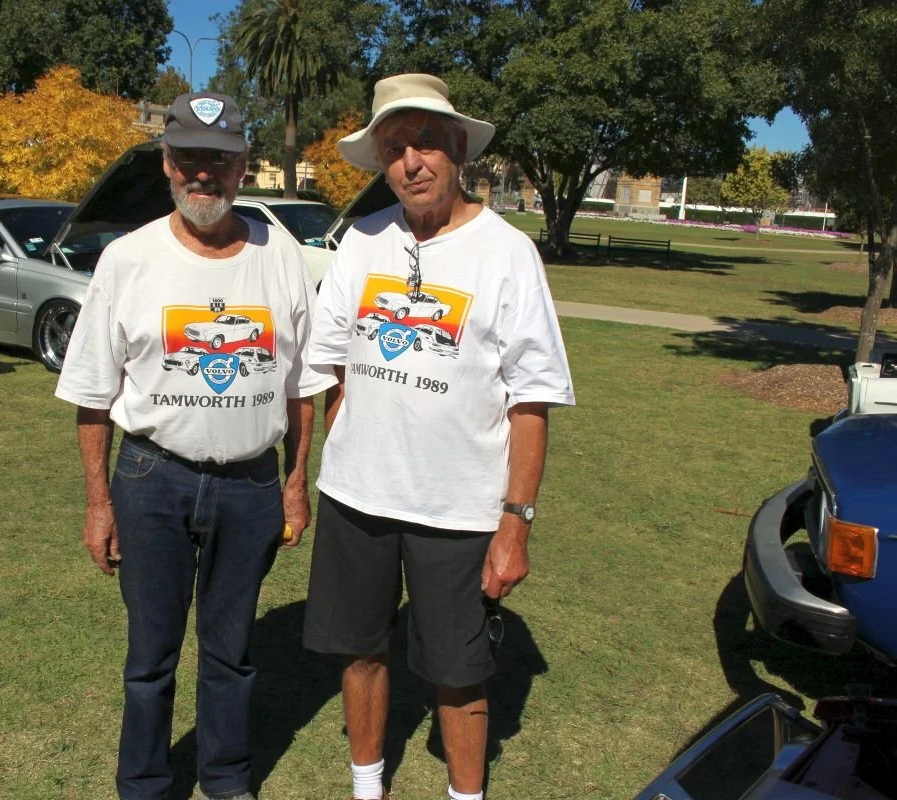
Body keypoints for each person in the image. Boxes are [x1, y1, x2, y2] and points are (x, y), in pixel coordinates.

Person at [302, 74, 575, 800]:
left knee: (459, 673)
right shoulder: (360, 242)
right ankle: (368, 788)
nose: (411, 162)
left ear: (457, 151)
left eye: (426, 143)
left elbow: (533, 398)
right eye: (395, 148)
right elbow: (327, 361)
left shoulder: (507, 253)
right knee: (359, 652)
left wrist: (515, 524)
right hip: (357, 501)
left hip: (459, 510)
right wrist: (355, 440)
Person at [55, 91, 335, 800]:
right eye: (189, 159)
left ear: (244, 165)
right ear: (166, 163)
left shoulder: (284, 260)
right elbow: (92, 393)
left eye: (220, 159)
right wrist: (98, 503)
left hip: (250, 484)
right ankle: (144, 784)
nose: (203, 174)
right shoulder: (127, 259)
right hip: (152, 479)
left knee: (231, 651)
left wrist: (295, 482)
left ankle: (226, 777)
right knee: (150, 654)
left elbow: (303, 388)